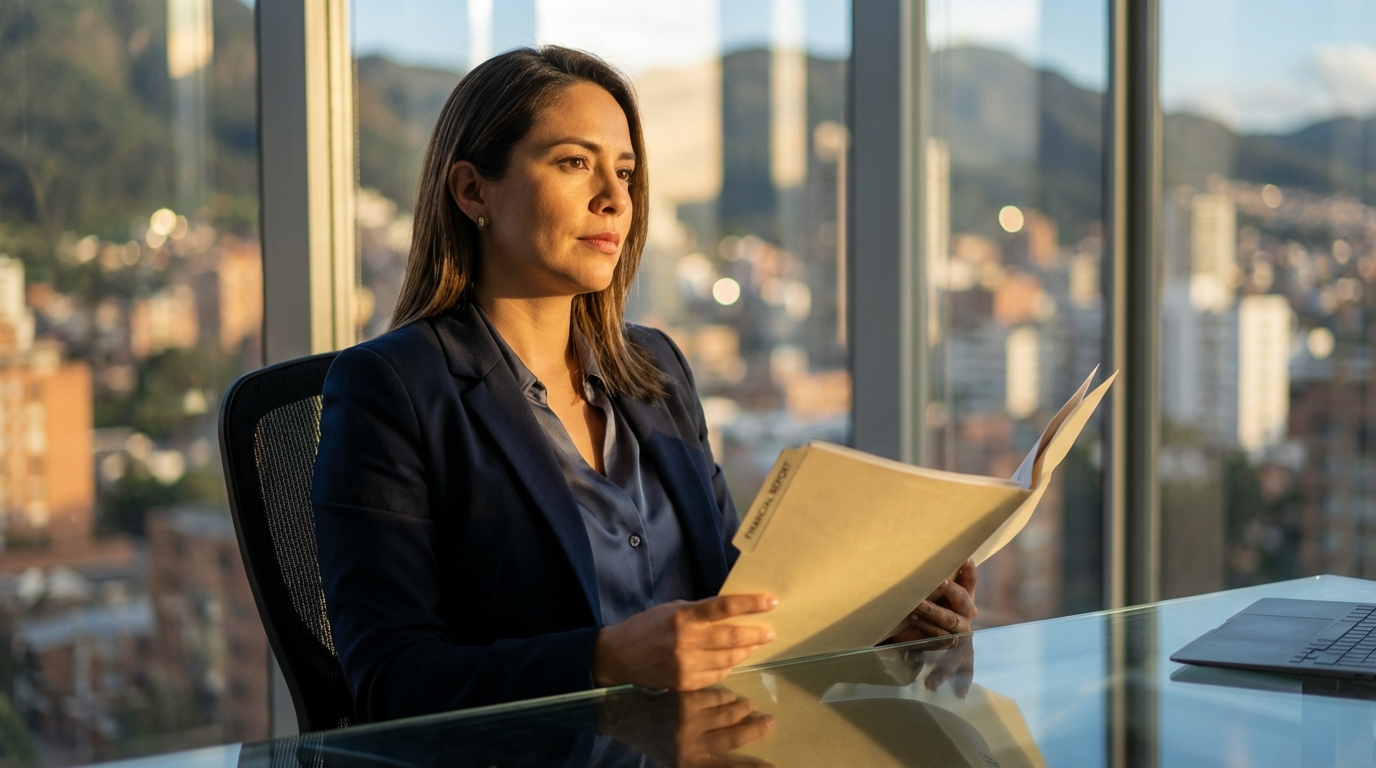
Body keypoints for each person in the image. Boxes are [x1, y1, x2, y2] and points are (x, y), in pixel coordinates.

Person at [310, 45, 979, 725]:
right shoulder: (389, 390)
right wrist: (604, 660)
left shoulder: (655, 369)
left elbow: (727, 599)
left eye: (625, 172)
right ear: (472, 190)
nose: (614, 198)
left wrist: (875, 619)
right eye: (575, 163)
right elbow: (390, 682)